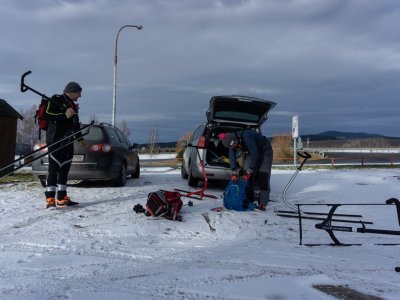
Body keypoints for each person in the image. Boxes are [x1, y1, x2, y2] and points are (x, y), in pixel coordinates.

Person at [43, 81, 85, 208]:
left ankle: (61, 198)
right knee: (54, 169)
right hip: (55, 139)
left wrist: (80, 138)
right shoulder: (56, 99)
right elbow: (47, 114)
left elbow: (75, 124)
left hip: (68, 141)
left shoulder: (72, 104)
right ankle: (50, 198)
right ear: (72, 91)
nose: (80, 96)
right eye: (78, 93)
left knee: (64, 170)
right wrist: (64, 115)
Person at [220, 130, 273, 211]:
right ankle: (248, 200)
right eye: (233, 147)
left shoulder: (247, 136)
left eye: (236, 145)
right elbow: (231, 156)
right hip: (252, 152)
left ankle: (263, 203)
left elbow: (256, 155)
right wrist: (234, 172)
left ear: (237, 139)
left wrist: (250, 170)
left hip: (265, 150)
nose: (235, 147)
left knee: (263, 175)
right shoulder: (230, 143)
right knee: (246, 177)